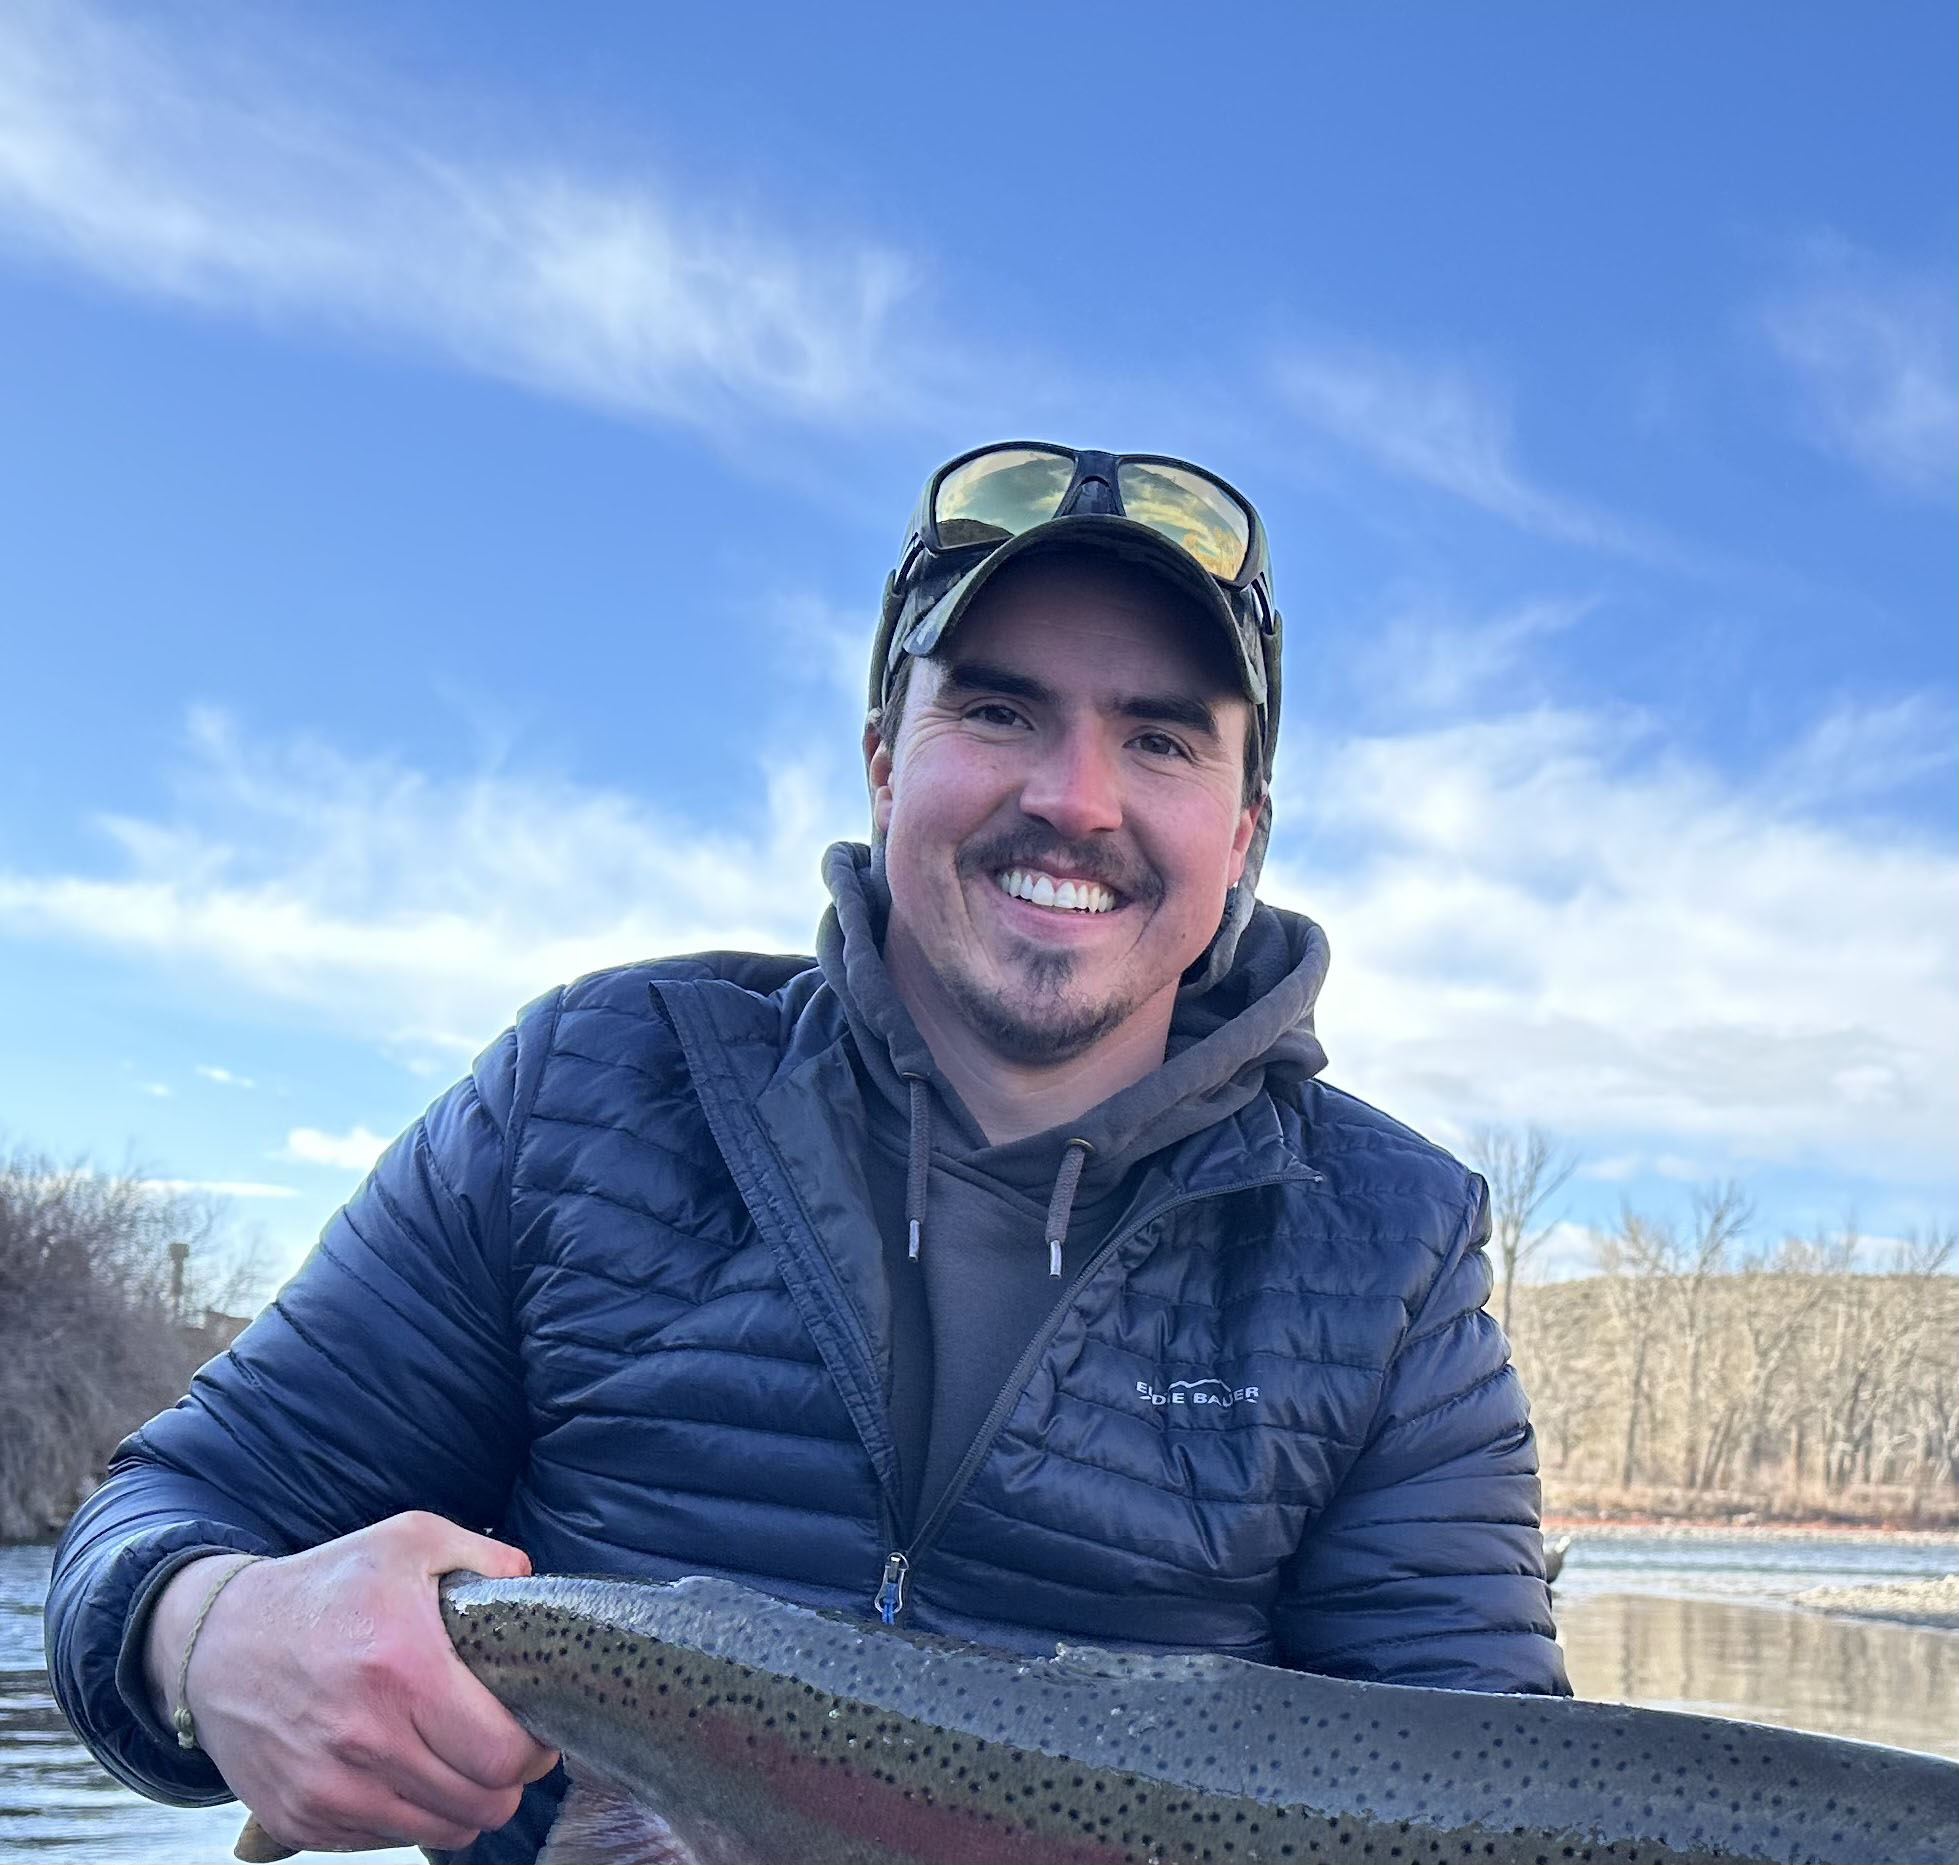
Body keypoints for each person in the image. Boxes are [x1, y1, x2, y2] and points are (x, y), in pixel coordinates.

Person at [47, 442, 1567, 1862]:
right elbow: (152, 1527)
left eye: (1161, 737)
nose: (1073, 796)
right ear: (884, 758)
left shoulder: (1390, 1244)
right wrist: (212, 1634)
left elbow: (1494, 1793)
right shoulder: (593, 1089)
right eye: (997, 709)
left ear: (1244, 830)